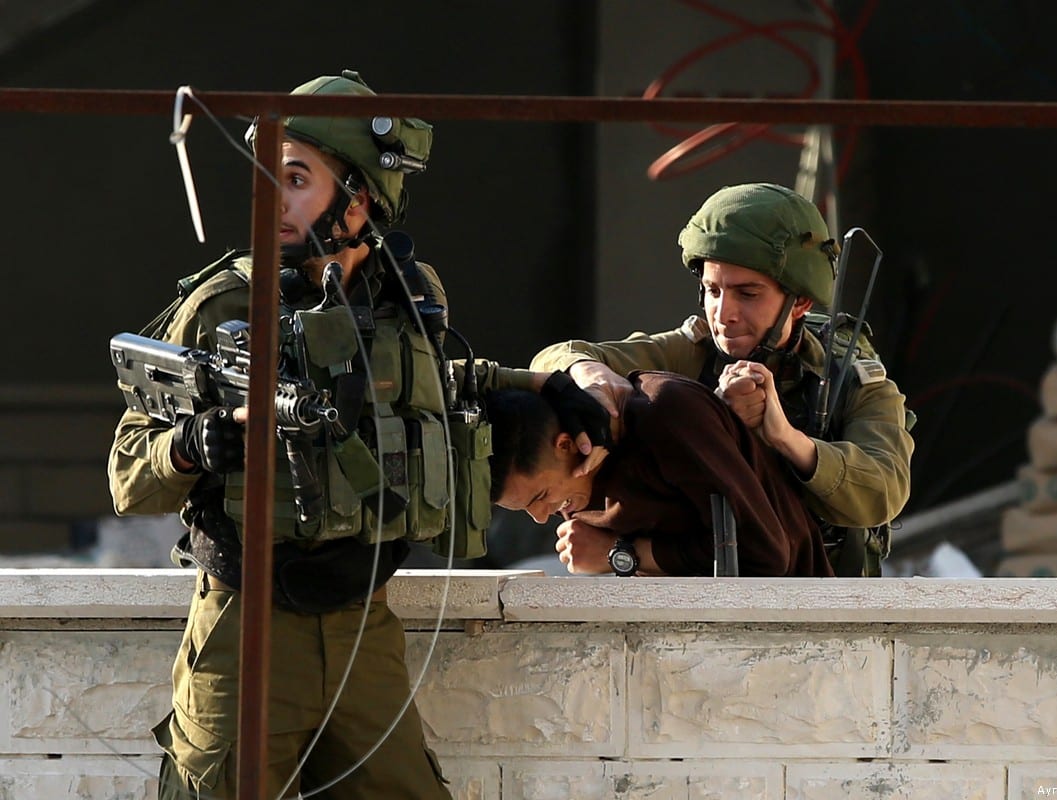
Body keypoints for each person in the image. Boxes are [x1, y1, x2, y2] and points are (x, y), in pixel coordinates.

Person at [108, 70, 608, 800]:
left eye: (296, 178)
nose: (269, 197)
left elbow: (443, 381)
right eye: (263, 176)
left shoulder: (412, 297)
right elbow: (127, 472)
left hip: (362, 625)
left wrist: (550, 385)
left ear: (361, 199)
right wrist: (193, 444)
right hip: (246, 631)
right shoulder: (224, 307)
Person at [530, 183, 914, 576]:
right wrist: (592, 377)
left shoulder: (851, 381)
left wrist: (784, 437)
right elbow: (554, 360)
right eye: (713, 291)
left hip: (826, 602)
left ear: (799, 302)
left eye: (748, 294)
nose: (724, 313)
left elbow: (884, 490)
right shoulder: (688, 353)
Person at [486, 371, 835, 577]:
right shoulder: (574, 485)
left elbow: (764, 555)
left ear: (566, 445)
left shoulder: (665, 414)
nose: (541, 516)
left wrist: (619, 553)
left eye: (539, 497)